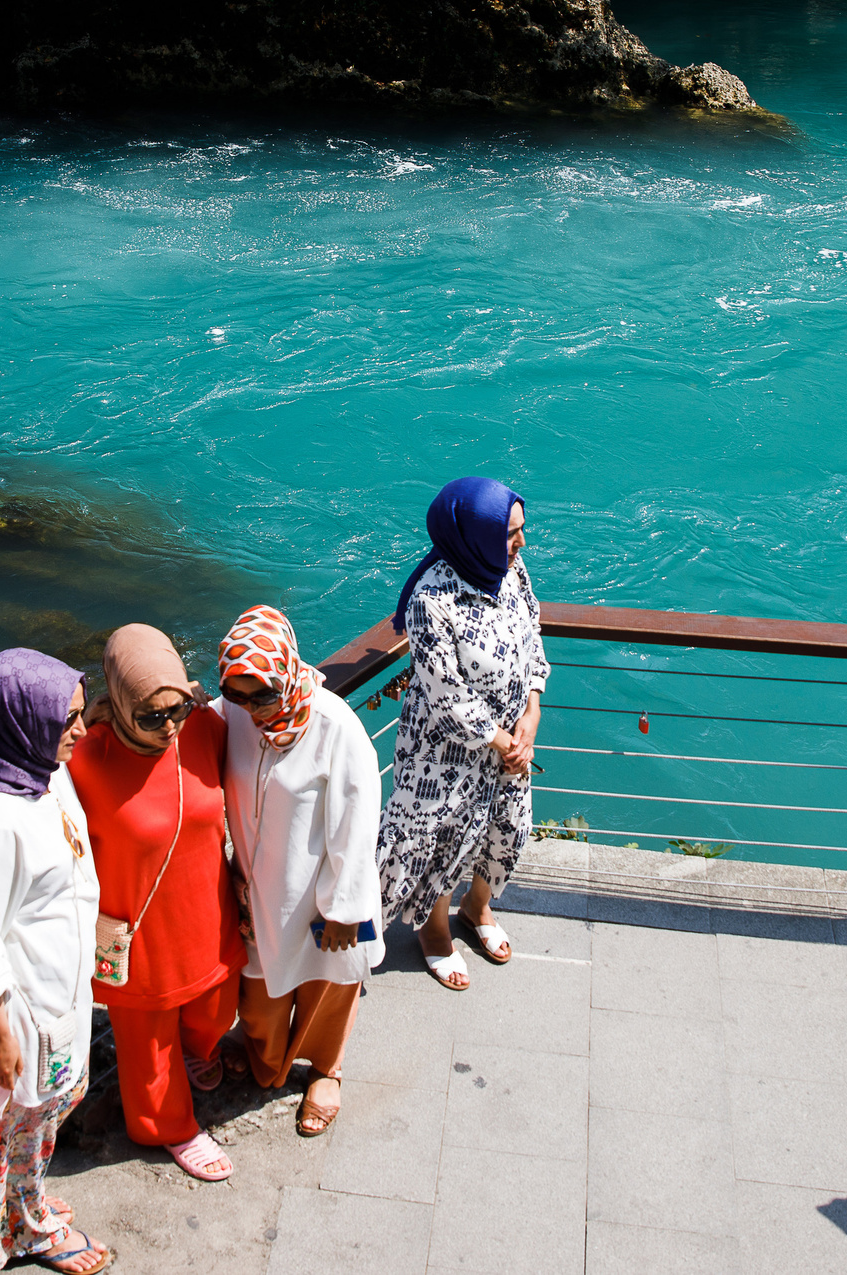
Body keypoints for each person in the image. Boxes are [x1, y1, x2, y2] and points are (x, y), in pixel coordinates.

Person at [0, 648, 112, 1275]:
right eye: (66, 719)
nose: (80, 731)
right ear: (23, 721)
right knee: (15, 1127)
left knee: (43, 1118)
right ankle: (22, 1232)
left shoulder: (42, 769)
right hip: (20, 1020)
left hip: (57, 996)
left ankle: (28, 1201)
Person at [68, 622, 245, 1181]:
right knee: (146, 1047)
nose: (168, 726)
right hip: (134, 930)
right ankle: (168, 1127)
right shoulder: (84, 759)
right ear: (118, 702)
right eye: (150, 715)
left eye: (177, 708)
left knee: (216, 1011)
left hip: (205, 912)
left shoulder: (205, 728)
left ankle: (194, 1052)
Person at [215, 604, 386, 1136]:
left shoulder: (335, 728)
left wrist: (346, 910)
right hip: (257, 892)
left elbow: (358, 828)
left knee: (326, 987)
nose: (252, 710)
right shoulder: (230, 716)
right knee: (261, 991)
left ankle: (326, 1070)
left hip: (320, 894)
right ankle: (268, 1060)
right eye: (237, 694)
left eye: (262, 695)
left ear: (286, 673)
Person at [374, 475, 547, 991]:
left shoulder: (511, 572)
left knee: (505, 831)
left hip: (511, 745)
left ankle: (478, 909)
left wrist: (531, 715)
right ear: (474, 536)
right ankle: (433, 933)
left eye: (521, 529)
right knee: (443, 844)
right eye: (511, 533)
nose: (521, 543)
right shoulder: (431, 601)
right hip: (445, 756)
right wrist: (506, 741)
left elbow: (532, 633)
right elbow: (446, 696)